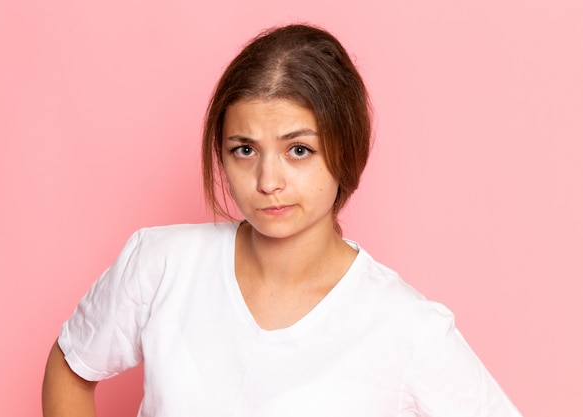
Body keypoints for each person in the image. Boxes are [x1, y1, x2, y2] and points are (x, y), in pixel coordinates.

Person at [42, 24, 522, 417]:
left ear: (346, 149)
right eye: (244, 150)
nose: (268, 180)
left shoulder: (406, 327)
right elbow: (72, 364)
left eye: (299, 150)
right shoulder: (163, 263)